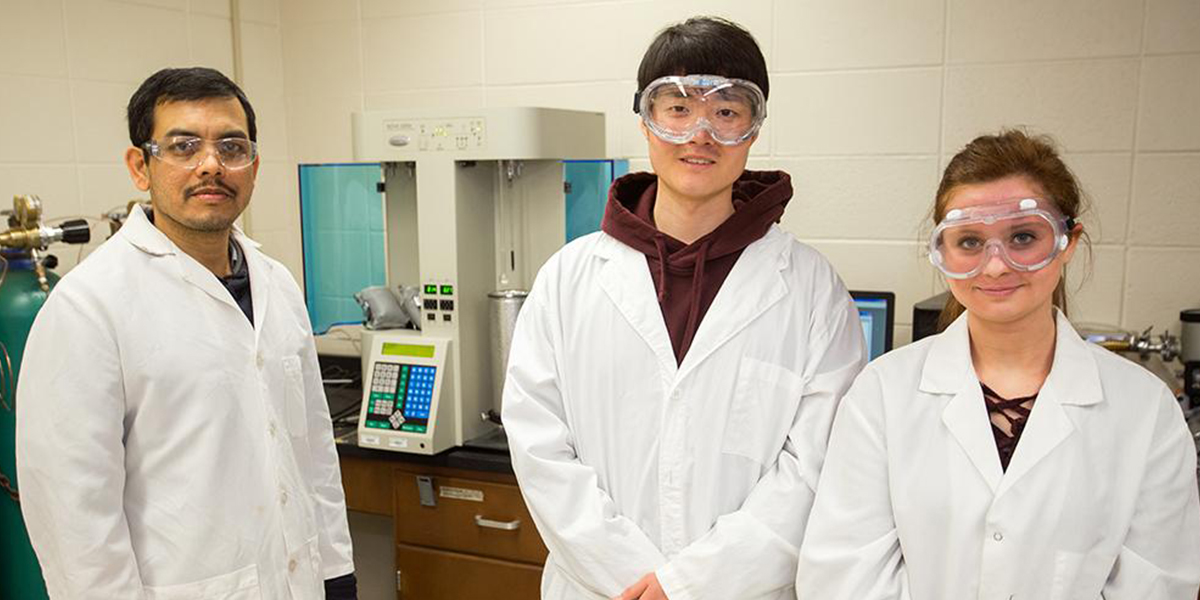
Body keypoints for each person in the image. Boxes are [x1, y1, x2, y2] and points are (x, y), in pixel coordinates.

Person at [502, 16, 866, 600]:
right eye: (676, 107)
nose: (701, 133)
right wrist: (636, 580)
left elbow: (814, 466)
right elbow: (540, 447)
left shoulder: (812, 289)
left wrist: (690, 586)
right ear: (645, 123)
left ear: (753, 130)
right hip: (599, 589)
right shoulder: (568, 279)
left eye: (727, 112)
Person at [796, 130, 1200, 599]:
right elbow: (842, 578)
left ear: (1068, 242)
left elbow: (1159, 586)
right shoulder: (882, 394)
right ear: (942, 253)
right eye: (969, 241)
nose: (994, 267)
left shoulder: (1145, 410)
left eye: (1023, 237)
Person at [16, 67, 358, 599]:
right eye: (182, 146)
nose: (211, 166)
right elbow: (72, 512)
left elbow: (312, 450)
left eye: (231, 146)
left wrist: (337, 571)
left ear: (254, 165)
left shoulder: (278, 284)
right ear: (139, 166)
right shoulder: (89, 306)